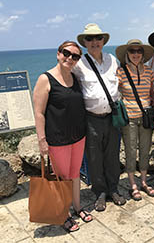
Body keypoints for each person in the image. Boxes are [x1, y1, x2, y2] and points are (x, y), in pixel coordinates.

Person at [33, 41, 92, 232]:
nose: (70, 58)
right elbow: (39, 112)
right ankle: (63, 214)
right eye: (67, 53)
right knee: (62, 178)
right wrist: (42, 140)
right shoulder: (46, 79)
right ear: (59, 54)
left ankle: (77, 206)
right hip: (57, 139)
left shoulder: (74, 77)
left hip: (78, 136)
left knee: (75, 176)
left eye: (75, 56)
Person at [73, 23, 126, 212]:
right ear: (84, 42)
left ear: (103, 41)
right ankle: (100, 192)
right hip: (91, 118)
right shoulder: (79, 63)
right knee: (94, 157)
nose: (94, 42)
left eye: (98, 38)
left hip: (112, 117)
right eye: (90, 39)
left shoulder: (113, 60)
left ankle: (113, 188)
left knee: (112, 154)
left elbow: (121, 84)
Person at [115, 39, 154, 201]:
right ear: (127, 54)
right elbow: (112, 90)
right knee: (131, 150)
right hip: (129, 118)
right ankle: (133, 184)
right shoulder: (120, 72)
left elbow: (153, 93)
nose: (136, 54)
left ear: (143, 54)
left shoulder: (149, 72)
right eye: (132, 51)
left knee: (145, 150)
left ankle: (144, 182)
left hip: (145, 117)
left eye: (139, 51)